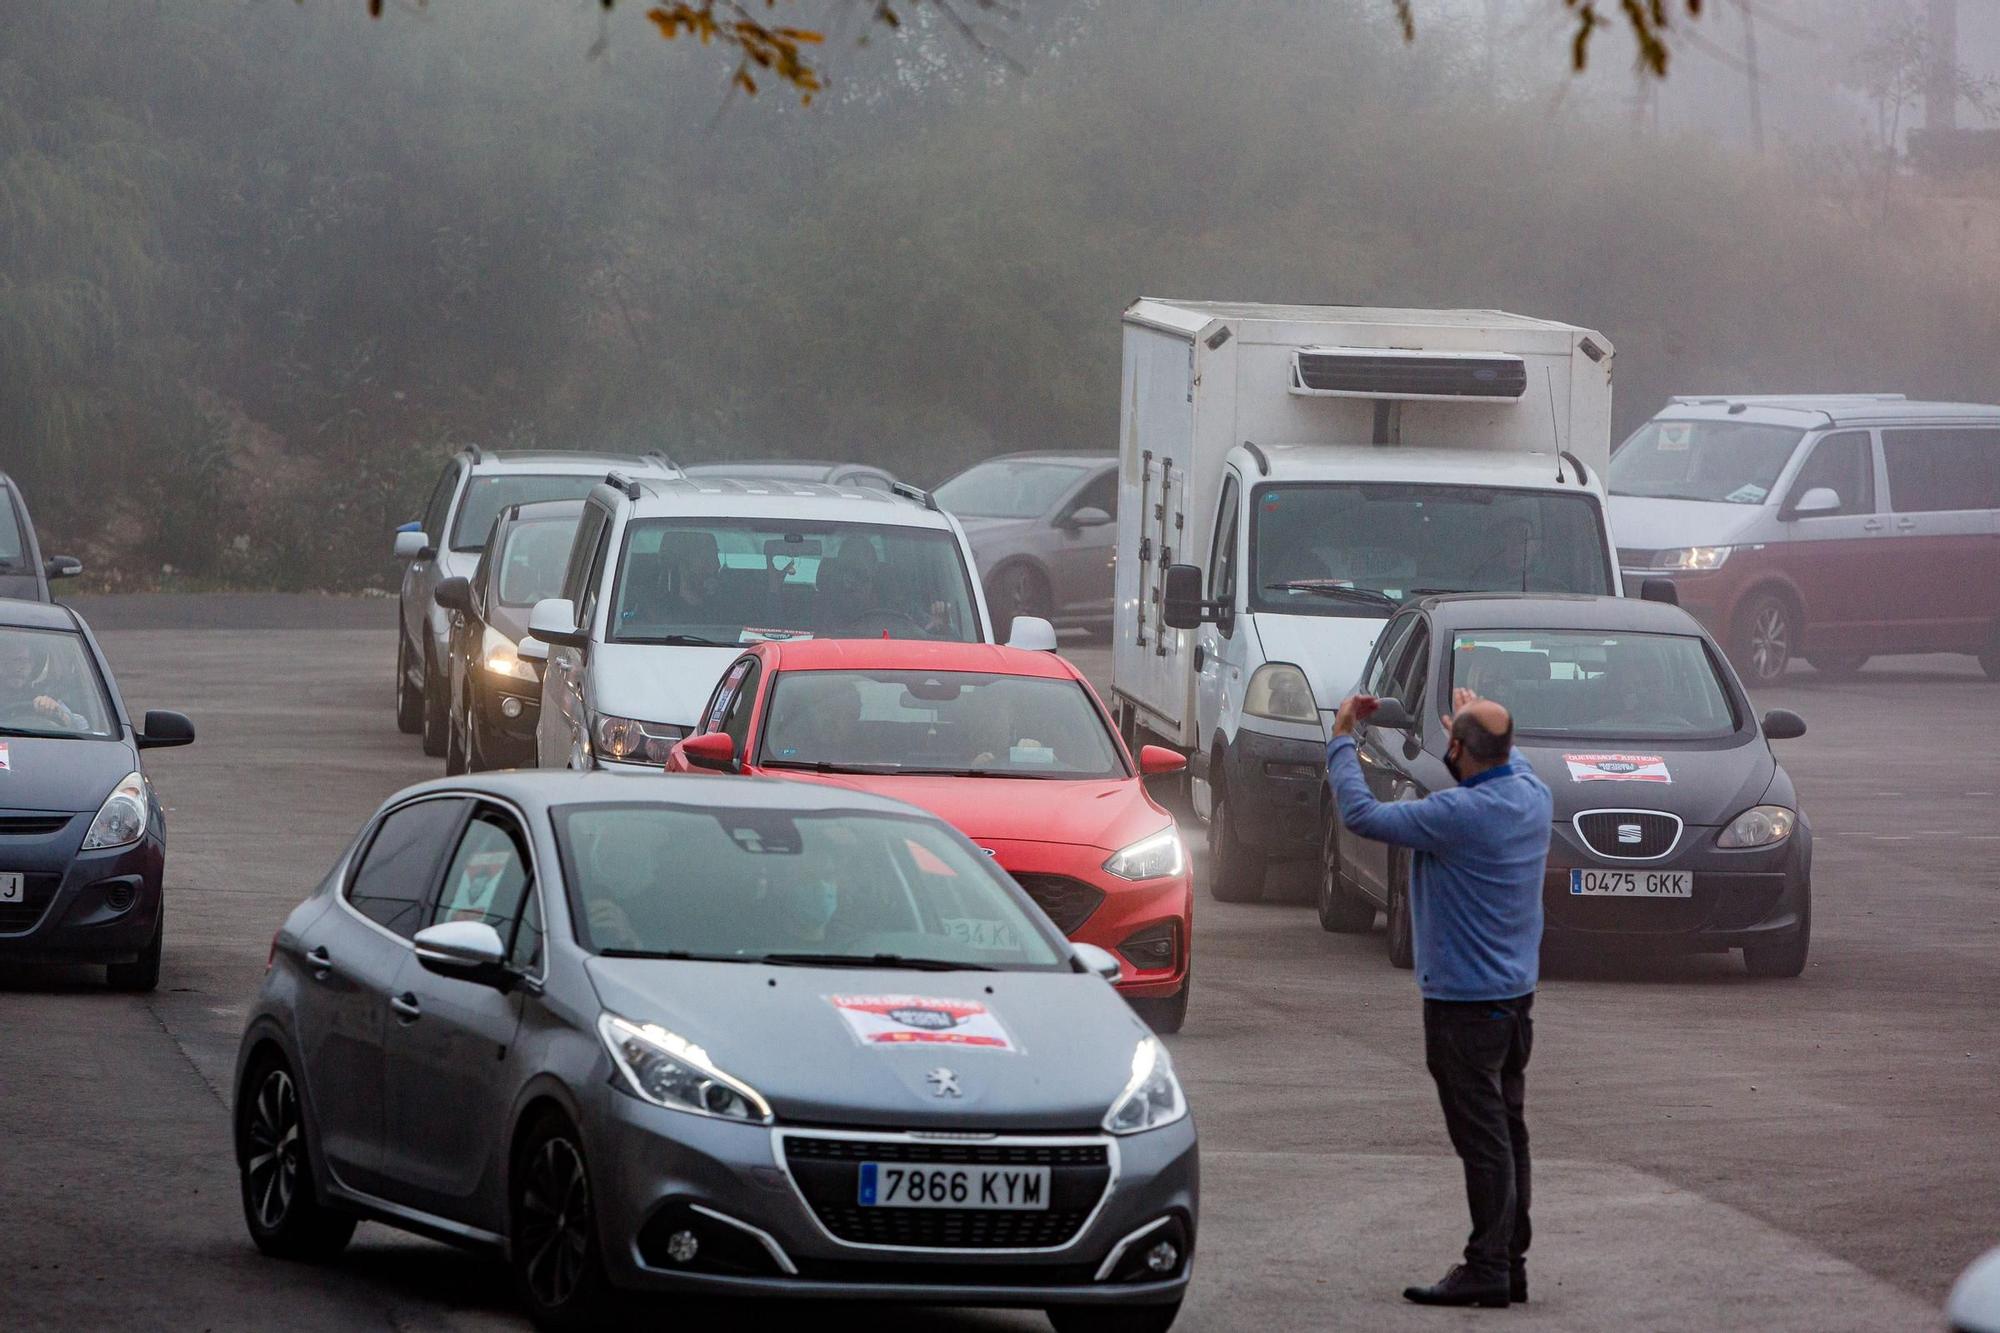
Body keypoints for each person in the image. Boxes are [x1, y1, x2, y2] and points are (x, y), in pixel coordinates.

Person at [1326, 686, 1553, 1310]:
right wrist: (1479, 719)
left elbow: (1362, 816)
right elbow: (1509, 755)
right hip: (1514, 1000)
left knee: (1482, 1140)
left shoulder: (1455, 815)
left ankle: (1486, 1268)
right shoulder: (1532, 795)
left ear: (1459, 750)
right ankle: (1510, 1262)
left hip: (1463, 1006)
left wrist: (1343, 738)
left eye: (1453, 741)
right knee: (1508, 1132)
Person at [0, 635, 91, 732]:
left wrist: (59, 713)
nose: (18, 668)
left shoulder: (44, 697)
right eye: (9, 661)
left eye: (24, 661)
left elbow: (82, 725)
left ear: (33, 665)